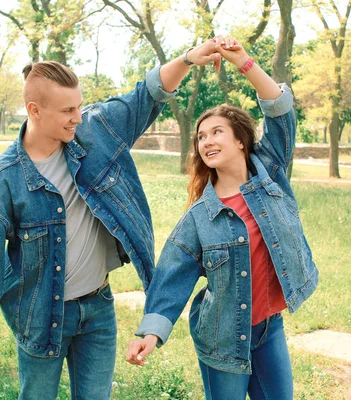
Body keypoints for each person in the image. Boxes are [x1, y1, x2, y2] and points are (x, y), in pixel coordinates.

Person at [0, 41, 222, 400]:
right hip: (40, 316)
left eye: (79, 105)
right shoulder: (3, 179)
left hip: (98, 308)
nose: (78, 116)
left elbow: (147, 95)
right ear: (34, 111)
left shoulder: (95, 132)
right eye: (67, 110)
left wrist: (189, 58)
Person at [126, 37, 318, 400]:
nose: (206, 141)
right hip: (221, 337)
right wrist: (150, 334)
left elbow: (279, 109)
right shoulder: (200, 217)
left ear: (242, 141)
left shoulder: (271, 174)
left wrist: (243, 61)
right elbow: (171, 278)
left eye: (217, 132)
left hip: (269, 329)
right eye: (201, 137)